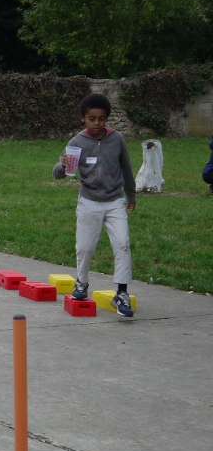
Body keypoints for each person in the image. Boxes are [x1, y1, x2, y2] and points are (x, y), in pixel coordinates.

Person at [54, 93, 136, 317]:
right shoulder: (76, 142)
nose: (97, 123)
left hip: (114, 201)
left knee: (122, 244)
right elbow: (58, 174)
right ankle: (81, 283)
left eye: (101, 119)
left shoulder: (117, 139)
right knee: (85, 247)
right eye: (92, 119)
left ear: (107, 118)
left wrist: (131, 195)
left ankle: (121, 293)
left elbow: (127, 168)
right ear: (83, 118)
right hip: (89, 201)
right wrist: (62, 166)